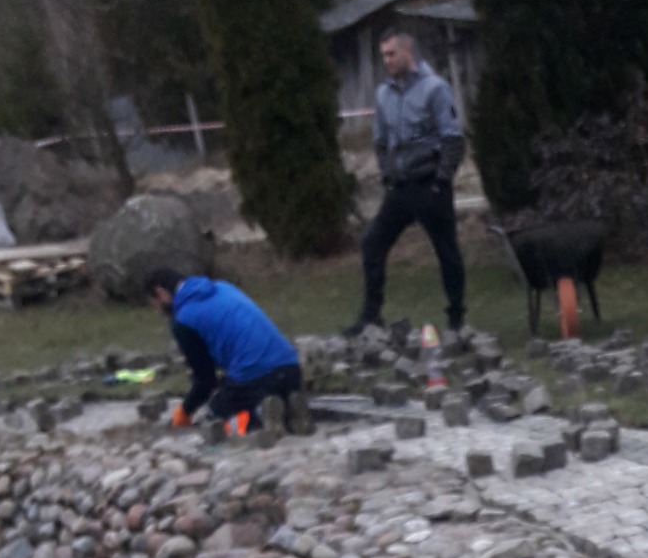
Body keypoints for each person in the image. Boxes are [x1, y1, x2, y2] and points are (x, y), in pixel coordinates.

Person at [345, 29, 467, 337]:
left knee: (446, 251)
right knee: (373, 243)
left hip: (430, 183)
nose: (386, 61)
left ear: (407, 51)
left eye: (391, 54)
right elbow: (381, 141)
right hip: (400, 187)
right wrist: (387, 174)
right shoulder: (384, 94)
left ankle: (456, 318)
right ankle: (371, 316)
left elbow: (452, 137)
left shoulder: (434, 88)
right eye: (383, 55)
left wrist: (441, 180)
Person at [147, 269, 306, 435]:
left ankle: (259, 416)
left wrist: (185, 411)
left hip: (255, 377)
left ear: (161, 293)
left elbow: (205, 381)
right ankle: (290, 412)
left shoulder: (183, 320)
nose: (159, 313)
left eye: (155, 305)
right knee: (261, 396)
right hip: (291, 369)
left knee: (215, 423)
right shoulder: (223, 287)